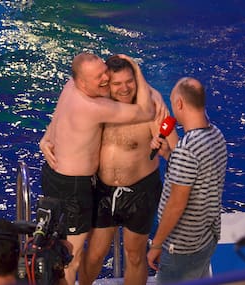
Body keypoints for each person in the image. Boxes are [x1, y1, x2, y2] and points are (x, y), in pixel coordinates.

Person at [39, 52, 156, 285]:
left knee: (56, 248)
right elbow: (146, 112)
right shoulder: (93, 106)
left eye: (105, 72)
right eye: (99, 77)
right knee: (70, 256)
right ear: (82, 82)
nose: (105, 79)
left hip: (53, 176)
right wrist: (139, 72)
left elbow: (58, 115)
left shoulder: (70, 86)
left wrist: (46, 136)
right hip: (73, 186)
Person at [77, 55, 178, 285]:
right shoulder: (99, 108)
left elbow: (177, 152)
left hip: (140, 192)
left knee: (134, 255)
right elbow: (76, 85)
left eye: (129, 82)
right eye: (117, 83)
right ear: (106, 85)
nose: (124, 88)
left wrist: (166, 152)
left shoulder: (151, 109)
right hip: (103, 192)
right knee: (94, 254)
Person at [146, 77, 228, 284]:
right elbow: (201, 175)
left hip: (182, 246)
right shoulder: (216, 135)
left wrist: (156, 244)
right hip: (206, 237)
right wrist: (168, 155)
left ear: (180, 103)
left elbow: (176, 204)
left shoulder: (186, 148)